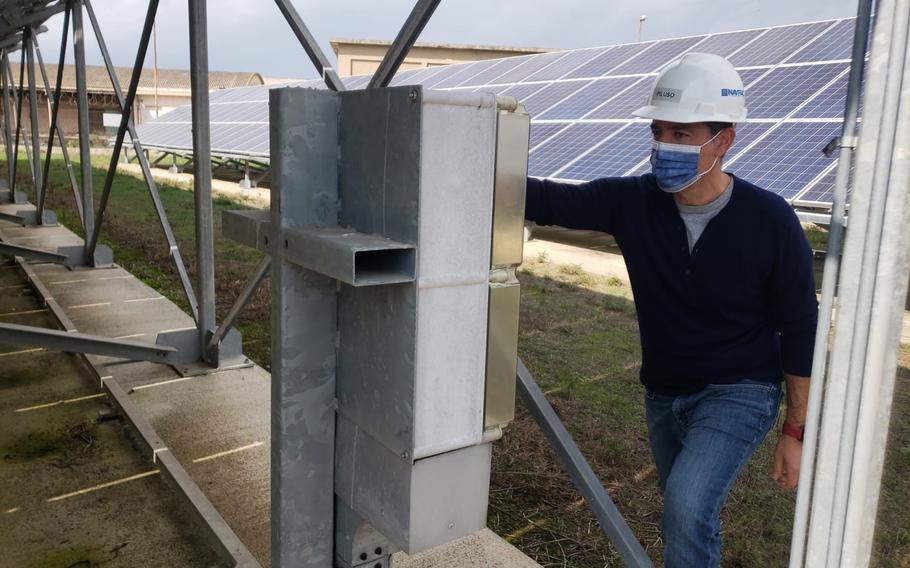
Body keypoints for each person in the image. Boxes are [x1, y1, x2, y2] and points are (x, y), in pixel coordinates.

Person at [524, 52, 818, 567]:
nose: (664, 146)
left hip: (740, 388)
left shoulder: (770, 219)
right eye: (659, 131)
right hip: (663, 392)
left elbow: (799, 329)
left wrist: (794, 432)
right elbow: (545, 199)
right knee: (685, 504)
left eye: (682, 134)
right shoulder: (632, 202)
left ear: (723, 140)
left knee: (685, 505)